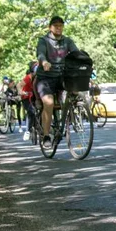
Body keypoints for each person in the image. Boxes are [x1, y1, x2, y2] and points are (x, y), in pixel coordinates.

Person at [36, 16, 81, 144]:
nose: (58, 28)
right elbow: (40, 54)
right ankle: (46, 136)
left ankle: (69, 116)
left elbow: (76, 53)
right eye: (56, 25)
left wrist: (84, 61)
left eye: (61, 25)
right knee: (49, 103)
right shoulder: (43, 40)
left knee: (76, 91)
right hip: (46, 78)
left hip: (62, 76)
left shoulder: (67, 41)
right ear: (50, 27)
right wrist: (44, 62)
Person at [20, 62, 37, 140]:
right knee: (31, 111)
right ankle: (28, 131)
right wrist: (21, 92)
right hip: (26, 98)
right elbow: (19, 85)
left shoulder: (40, 77)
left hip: (35, 96)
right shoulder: (28, 77)